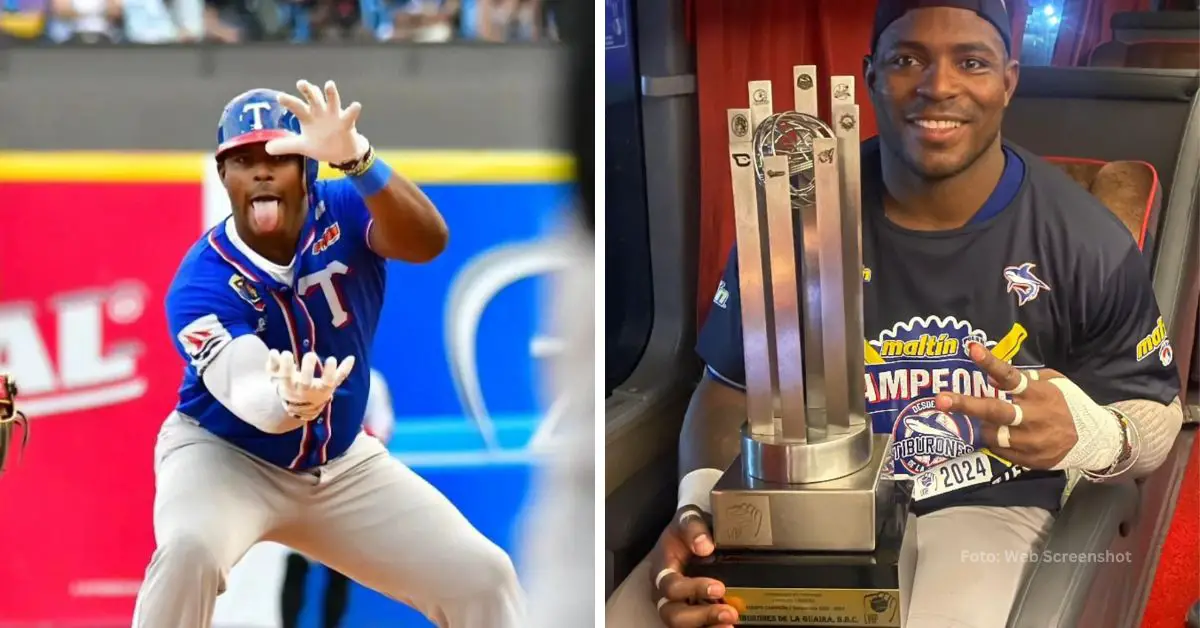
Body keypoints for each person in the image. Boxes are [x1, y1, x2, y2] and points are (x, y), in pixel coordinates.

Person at [604, 1, 1185, 627]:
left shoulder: (1083, 238)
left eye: (971, 61)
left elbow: (1156, 412)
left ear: (1008, 81)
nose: (938, 86)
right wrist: (699, 510)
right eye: (908, 59)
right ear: (870, 74)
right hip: (807, 492)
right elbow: (727, 391)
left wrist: (1095, 435)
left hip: (987, 505)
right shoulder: (794, 215)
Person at [133, 80, 525, 628]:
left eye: (279, 155)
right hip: (225, 458)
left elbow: (429, 241)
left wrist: (359, 161)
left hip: (340, 464)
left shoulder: (343, 207)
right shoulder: (202, 281)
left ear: (308, 169)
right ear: (225, 178)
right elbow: (247, 392)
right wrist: (287, 399)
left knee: (483, 574)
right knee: (188, 553)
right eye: (242, 160)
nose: (262, 171)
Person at [279, 368, 396, 628]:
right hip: (305, 481)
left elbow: (383, 428)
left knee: (342, 566)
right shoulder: (304, 373)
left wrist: (345, 440)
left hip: (350, 482)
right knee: (297, 560)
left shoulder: (372, 382)